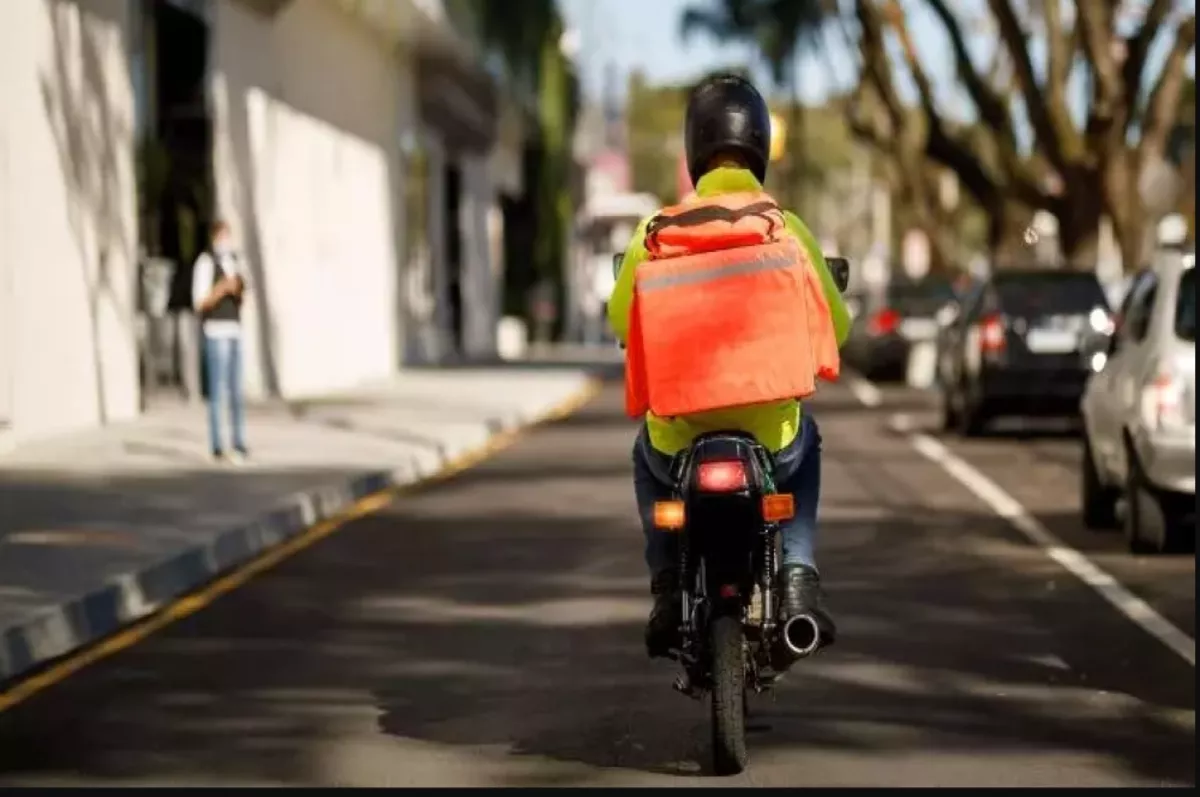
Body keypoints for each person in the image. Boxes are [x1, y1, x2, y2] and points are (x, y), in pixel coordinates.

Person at [607, 73, 851, 659]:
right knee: (808, 443)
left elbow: (621, 324)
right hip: (772, 441)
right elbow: (837, 328)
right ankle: (797, 577)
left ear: (694, 152)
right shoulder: (787, 230)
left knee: (645, 456)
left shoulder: (654, 233)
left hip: (679, 445)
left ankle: (667, 589)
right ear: (761, 147)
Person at [191, 220, 249, 464]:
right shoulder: (205, 263)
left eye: (229, 236)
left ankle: (239, 442)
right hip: (215, 332)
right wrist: (222, 289)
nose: (226, 241)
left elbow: (241, 298)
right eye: (222, 236)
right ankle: (217, 445)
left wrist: (237, 290)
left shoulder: (234, 261)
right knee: (218, 391)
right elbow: (200, 302)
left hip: (234, 331)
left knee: (237, 391)